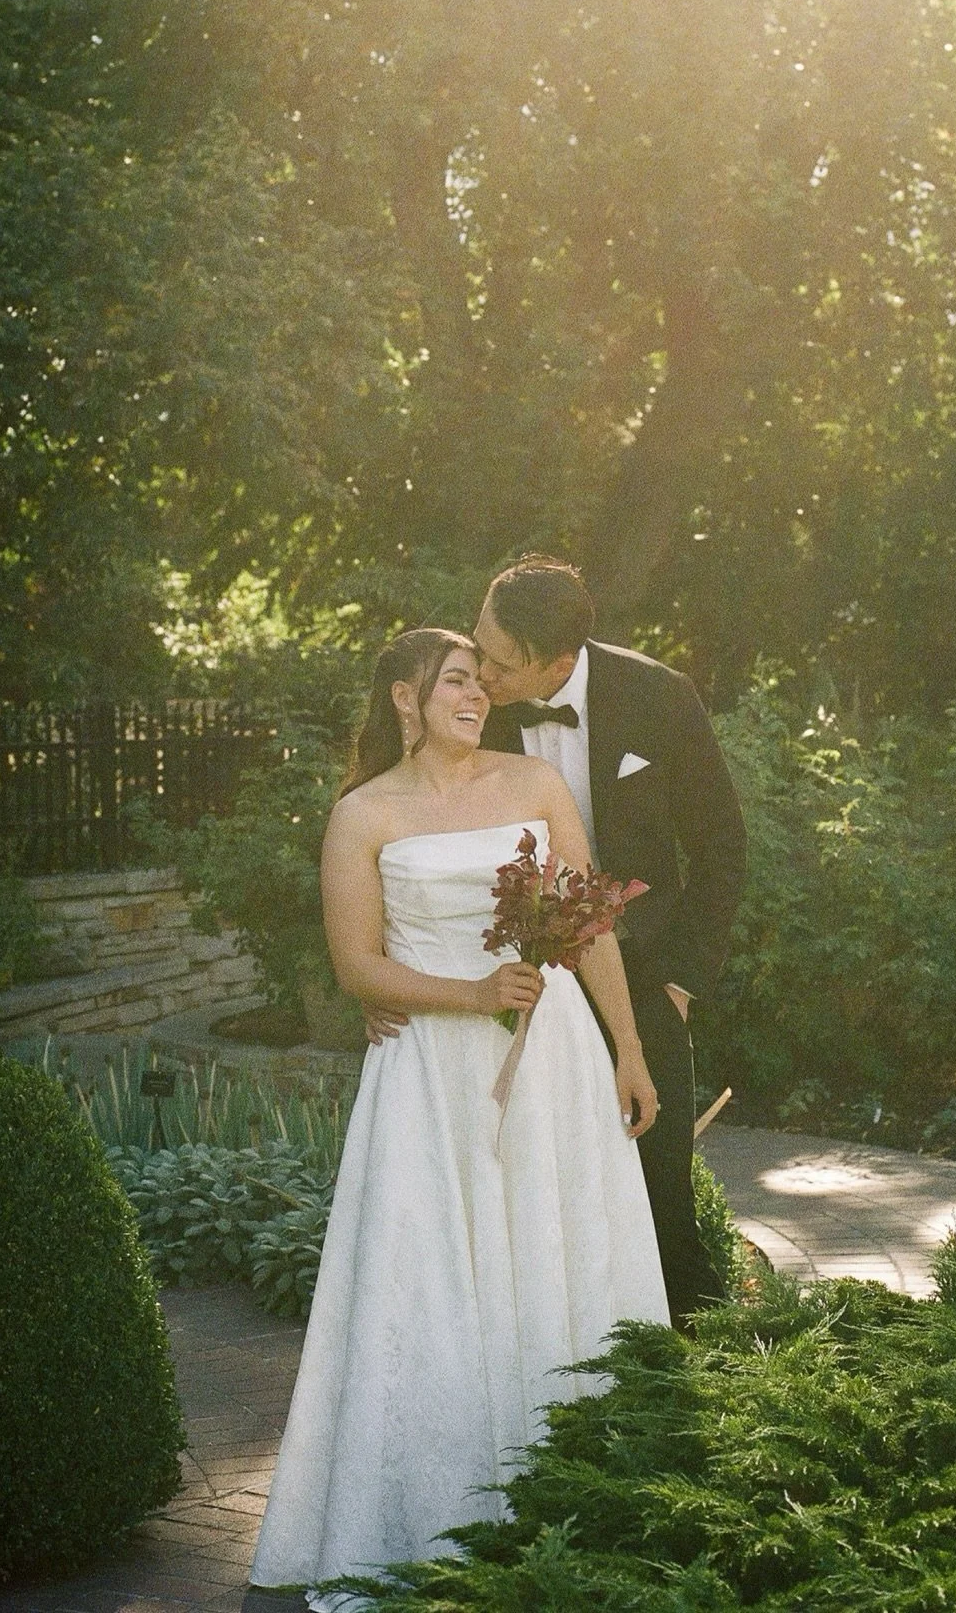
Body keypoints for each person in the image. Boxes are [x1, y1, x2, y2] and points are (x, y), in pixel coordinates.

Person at [249, 628, 668, 1601]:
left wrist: (629, 1048)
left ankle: (583, 1503)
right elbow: (358, 965)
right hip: (429, 1077)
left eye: (483, 682)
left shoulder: (535, 786)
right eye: (455, 682)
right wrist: (470, 996)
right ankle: (436, 1515)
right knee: (431, 1277)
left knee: (558, 1255)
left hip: (552, 1059)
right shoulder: (362, 815)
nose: (477, 696)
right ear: (405, 697)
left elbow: (589, 926)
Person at [365, 558, 747, 1324]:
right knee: (526, 1186)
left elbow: (721, 849)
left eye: (499, 664)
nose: (480, 676)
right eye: (477, 648)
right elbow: (402, 833)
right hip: (509, 976)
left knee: (658, 1183)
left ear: (558, 662)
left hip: (642, 968)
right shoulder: (471, 707)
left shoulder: (660, 696)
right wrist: (384, 978)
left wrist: (679, 982)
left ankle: (690, 1360)